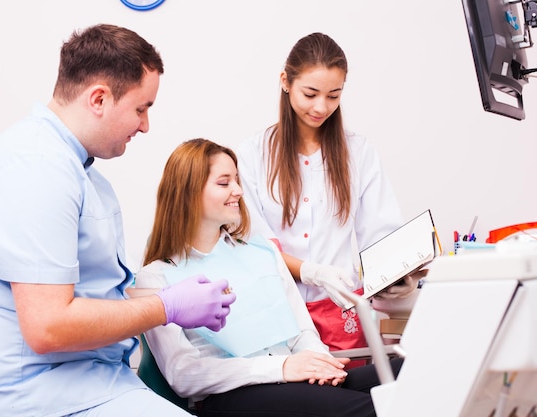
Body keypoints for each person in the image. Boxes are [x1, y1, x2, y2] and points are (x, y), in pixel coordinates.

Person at [0, 24, 236, 417]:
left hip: (91, 384)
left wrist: (176, 297)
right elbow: (49, 325)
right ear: (99, 98)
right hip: (35, 399)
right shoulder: (35, 166)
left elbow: (89, 298)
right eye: (141, 108)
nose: (145, 125)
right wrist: (166, 306)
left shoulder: (79, 173)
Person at [135, 138, 402, 417]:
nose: (238, 190)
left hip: (294, 379)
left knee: (418, 371)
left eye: (236, 181)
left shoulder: (263, 252)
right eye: (224, 183)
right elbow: (183, 375)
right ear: (188, 193)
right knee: (384, 408)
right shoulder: (156, 277)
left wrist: (320, 363)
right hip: (233, 395)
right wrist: (282, 368)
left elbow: (302, 331)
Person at [235, 32, 421, 364]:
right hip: (279, 314)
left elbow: (380, 234)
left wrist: (399, 272)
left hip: (342, 314)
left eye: (334, 96)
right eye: (311, 93)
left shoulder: (358, 152)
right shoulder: (252, 155)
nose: (321, 107)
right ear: (285, 82)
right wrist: (311, 271)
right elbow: (255, 244)